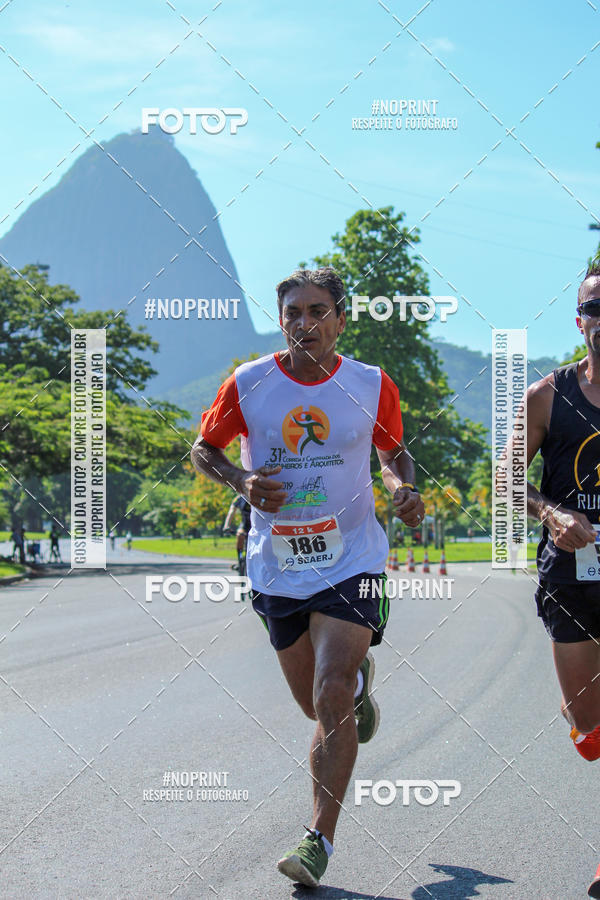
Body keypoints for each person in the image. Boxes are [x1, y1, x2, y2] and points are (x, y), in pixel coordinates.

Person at [191, 266, 425, 888]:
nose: (305, 323)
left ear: (341, 320)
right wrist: (241, 482)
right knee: (313, 707)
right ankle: (355, 689)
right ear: (282, 319)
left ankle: (318, 838)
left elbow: (391, 450)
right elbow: (203, 449)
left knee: (329, 688)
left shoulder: (371, 384)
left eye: (318, 311)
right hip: (278, 566)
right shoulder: (249, 383)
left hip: (353, 560)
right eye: (293, 312)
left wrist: (400, 484)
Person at [514, 261, 600, 898]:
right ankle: (582, 717)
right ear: (579, 320)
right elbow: (508, 482)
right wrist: (551, 513)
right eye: (595, 308)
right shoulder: (547, 395)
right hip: (571, 575)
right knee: (590, 731)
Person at [223, 494, 251, 575]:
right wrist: (226, 526)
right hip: (245, 525)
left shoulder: (257, 497)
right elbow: (231, 511)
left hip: (257, 526)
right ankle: (240, 560)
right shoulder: (239, 499)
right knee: (240, 535)